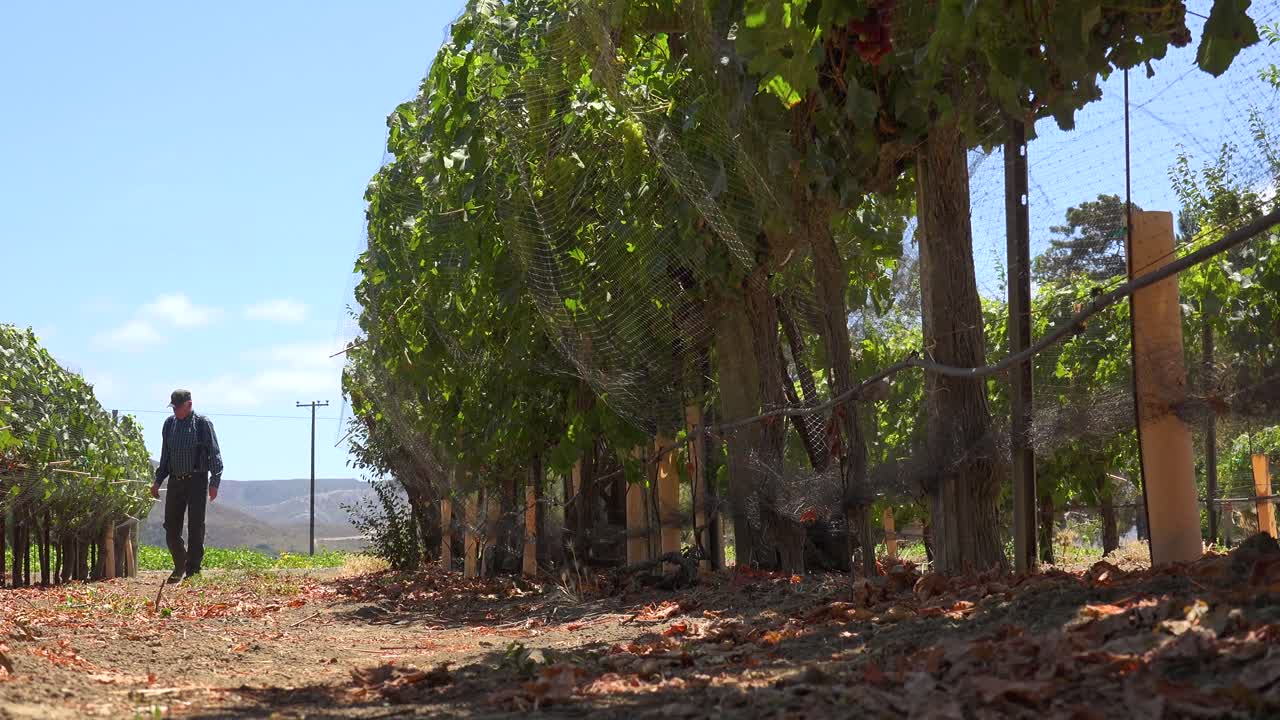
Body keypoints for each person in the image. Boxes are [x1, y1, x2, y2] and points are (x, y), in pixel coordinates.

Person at [151, 389, 224, 583]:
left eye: (178, 407)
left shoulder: (202, 424)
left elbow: (214, 454)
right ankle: (180, 563)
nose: (175, 411)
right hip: (175, 480)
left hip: (197, 480)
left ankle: (193, 570)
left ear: (189, 405)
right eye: (173, 407)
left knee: (195, 525)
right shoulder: (169, 425)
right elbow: (165, 456)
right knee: (171, 527)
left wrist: (214, 481)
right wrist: (158, 481)